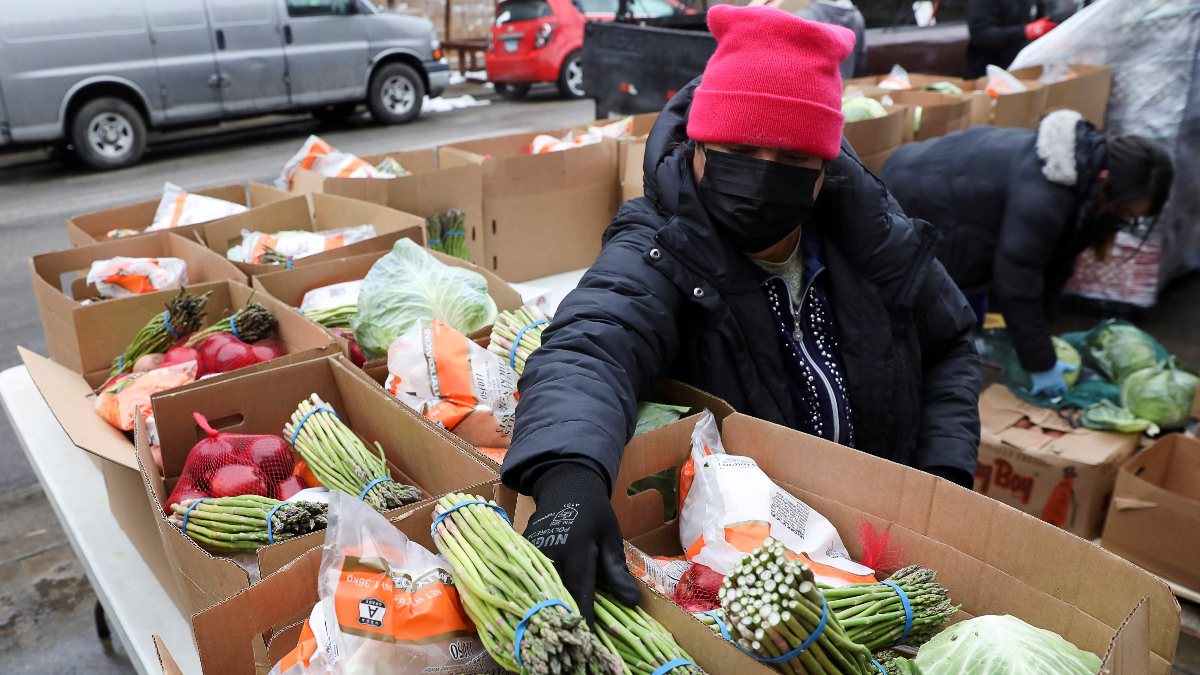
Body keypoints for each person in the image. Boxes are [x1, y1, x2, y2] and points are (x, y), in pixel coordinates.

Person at [501, 5, 981, 622]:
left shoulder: (872, 240)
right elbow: (592, 345)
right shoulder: (660, 244)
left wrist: (943, 480)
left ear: (821, 174)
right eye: (738, 150)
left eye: (791, 161)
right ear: (699, 148)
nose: (761, 178)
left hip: (889, 559)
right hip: (754, 575)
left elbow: (951, 343)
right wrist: (568, 475)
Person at [881, 110, 1174, 397]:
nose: (1122, 221)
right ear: (1106, 178)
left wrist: (1039, 342)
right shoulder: (1046, 193)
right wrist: (1040, 363)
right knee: (924, 331)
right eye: (1124, 212)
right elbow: (1018, 280)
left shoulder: (1082, 181)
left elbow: (1057, 266)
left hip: (960, 207)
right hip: (913, 195)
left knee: (959, 324)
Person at [965, 0, 1066, 79]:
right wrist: (1025, 31)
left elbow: (1042, 18)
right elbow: (980, 34)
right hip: (988, 72)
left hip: (1025, 68)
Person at [799, 0, 867, 78]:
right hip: (846, 84)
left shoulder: (804, 18)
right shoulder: (857, 16)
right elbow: (860, 61)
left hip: (817, 87)